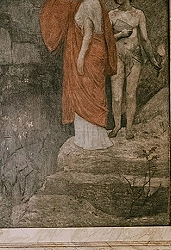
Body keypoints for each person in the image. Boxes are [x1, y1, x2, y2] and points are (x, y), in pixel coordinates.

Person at [40, 0, 117, 150]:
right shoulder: (97, 3)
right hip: (97, 51)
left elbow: (88, 33)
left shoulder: (87, 4)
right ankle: (96, 138)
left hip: (89, 52)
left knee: (84, 93)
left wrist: (81, 57)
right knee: (93, 92)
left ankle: (88, 141)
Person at [108, 0, 161, 140]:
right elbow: (106, 39)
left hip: (135, 57)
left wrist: (152, 59)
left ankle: (129, 128)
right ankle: (117, 125)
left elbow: (144, 39)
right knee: (117, 96)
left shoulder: (138, 14)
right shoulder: (111, 15)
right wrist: (120, 35)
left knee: (130, 95)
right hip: (117, 58)